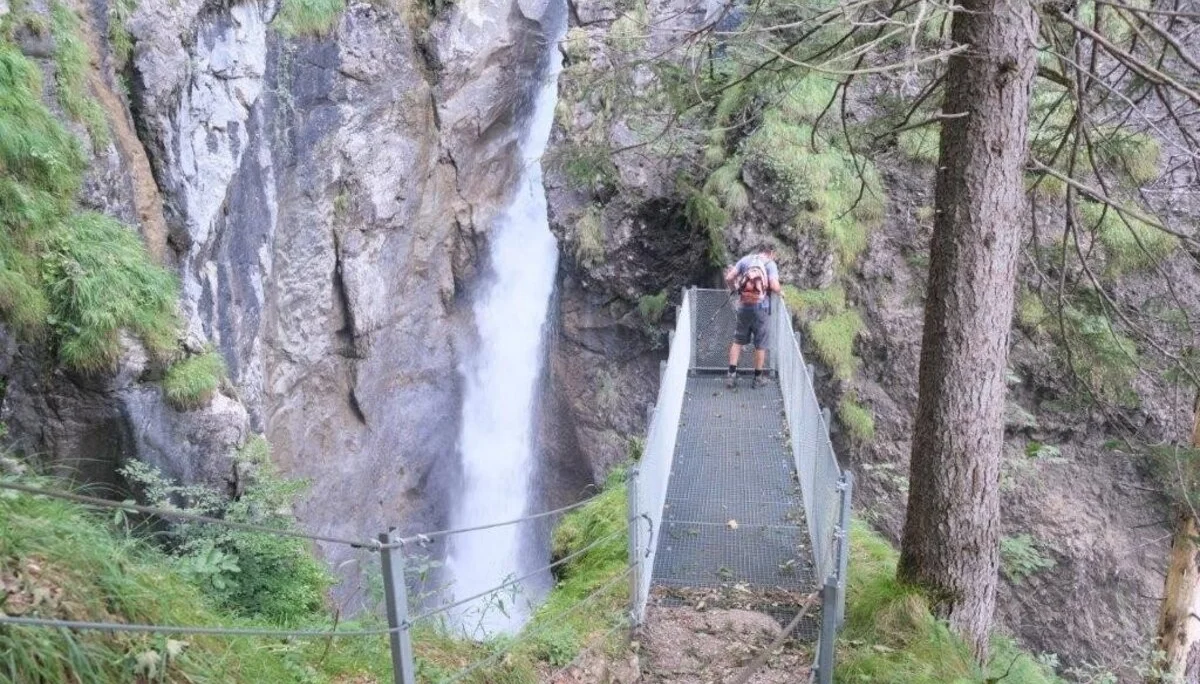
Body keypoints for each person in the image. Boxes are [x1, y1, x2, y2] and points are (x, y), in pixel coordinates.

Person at [723, 245, 781, 389]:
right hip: (761, 308)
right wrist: (781, 292)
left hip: (743, 305)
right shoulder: (770, 264)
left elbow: (729, 277)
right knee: (760, 344)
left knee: (738, 340)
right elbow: (774, 286)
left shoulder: (746, 260)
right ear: (771, 253)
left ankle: (731, 376)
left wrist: (734, 289)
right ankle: (757, 378)